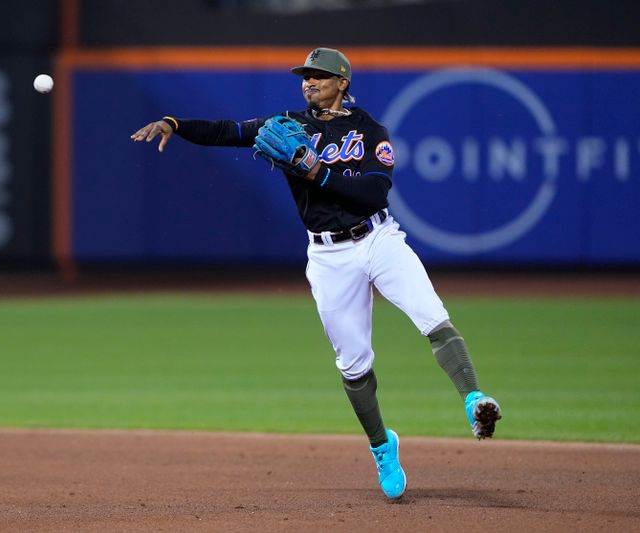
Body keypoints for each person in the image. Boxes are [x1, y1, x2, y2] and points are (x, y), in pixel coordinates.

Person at [130, 47, 501, 500]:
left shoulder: (368, 130)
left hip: (378, 239)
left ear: (342, 82)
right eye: (305, 76)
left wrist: (318, 172)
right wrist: (176, 124)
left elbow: (373, 192)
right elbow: (228, 131)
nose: (308, 83)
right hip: (328, 257)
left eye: (319, 76)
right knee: (353, 365)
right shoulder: (288, 124)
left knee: (433, 317)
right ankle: (383, 446)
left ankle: (474, 400)